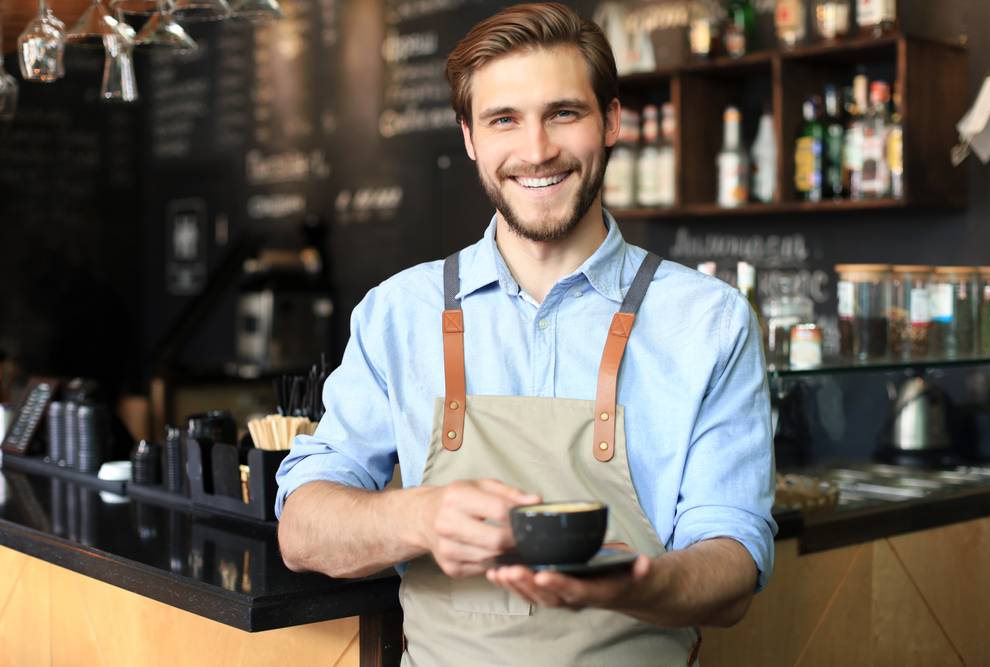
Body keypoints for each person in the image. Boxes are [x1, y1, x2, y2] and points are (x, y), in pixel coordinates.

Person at [275, 3, 776, 664]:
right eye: (504, 119)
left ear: (612, 122)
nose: (537, 150)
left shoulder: (710, 321)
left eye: (563, 113)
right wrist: (418, 517)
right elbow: (302, 529)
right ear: (469, 138)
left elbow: (734, 563)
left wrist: (642, 582)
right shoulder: (397, 312)